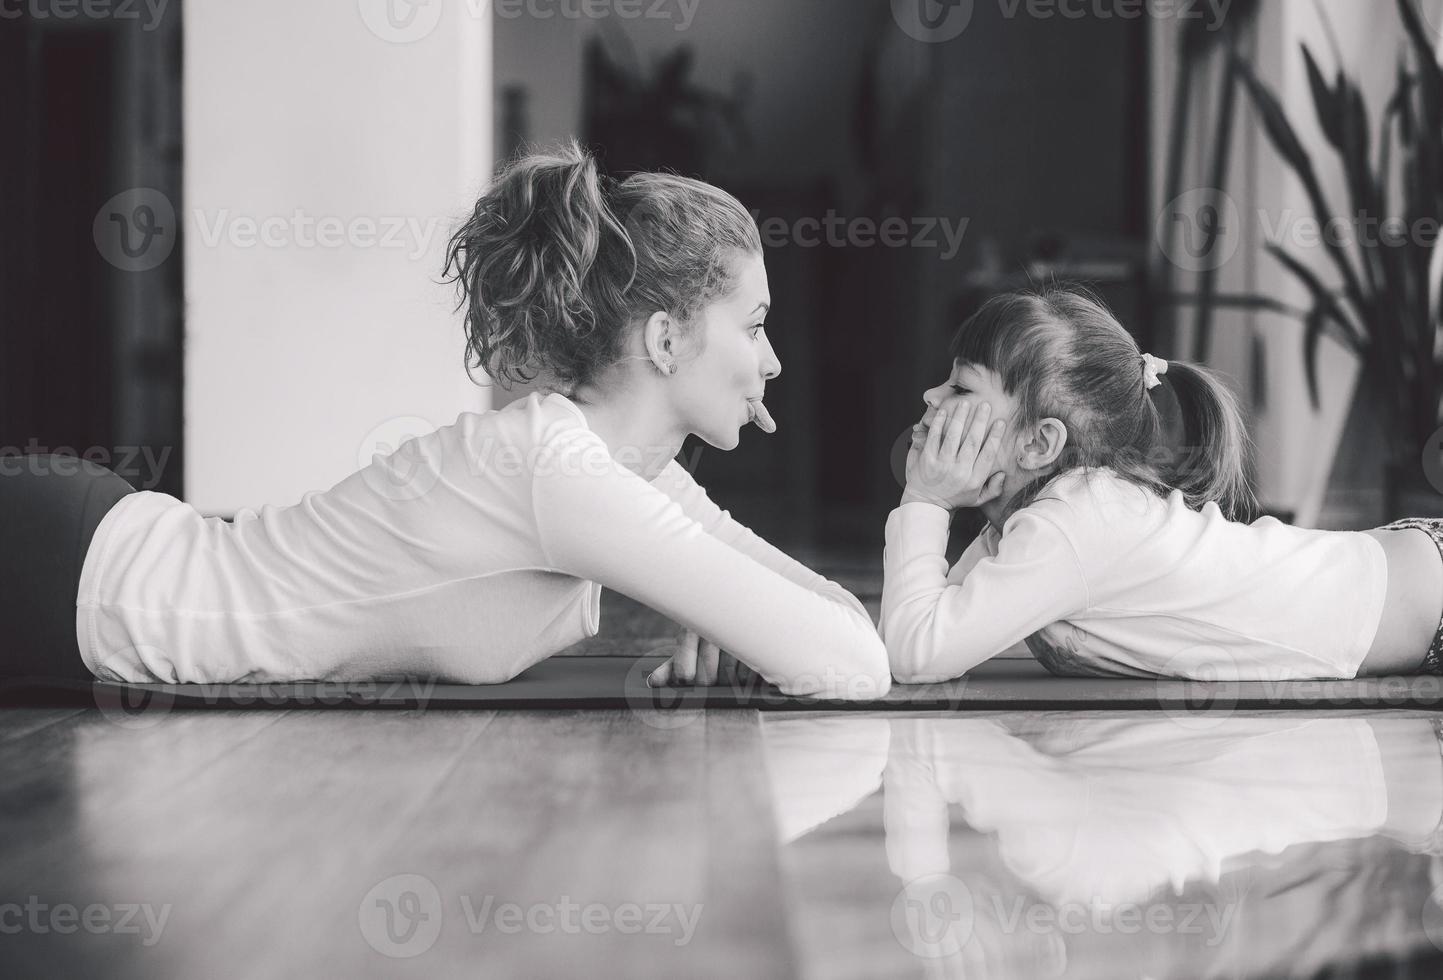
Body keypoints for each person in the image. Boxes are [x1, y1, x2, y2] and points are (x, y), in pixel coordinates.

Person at [2, 141, 888, 700]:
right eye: (756, 324)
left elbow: (839, 631)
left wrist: (744, 621)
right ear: (665, 337)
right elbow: (849, 664)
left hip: (81, 564)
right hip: (83, 580)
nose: (772, 362)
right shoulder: (560, 473)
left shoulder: (629, 473)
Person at [881, 286, 1443, 682]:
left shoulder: (1070, 525)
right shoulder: (1039, 520)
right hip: (1412, 578)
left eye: (960, 389)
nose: (932, 398)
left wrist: (926, 499)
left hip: (1426, 595)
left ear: (1038, 445)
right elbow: (920, 628)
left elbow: (917, 654)